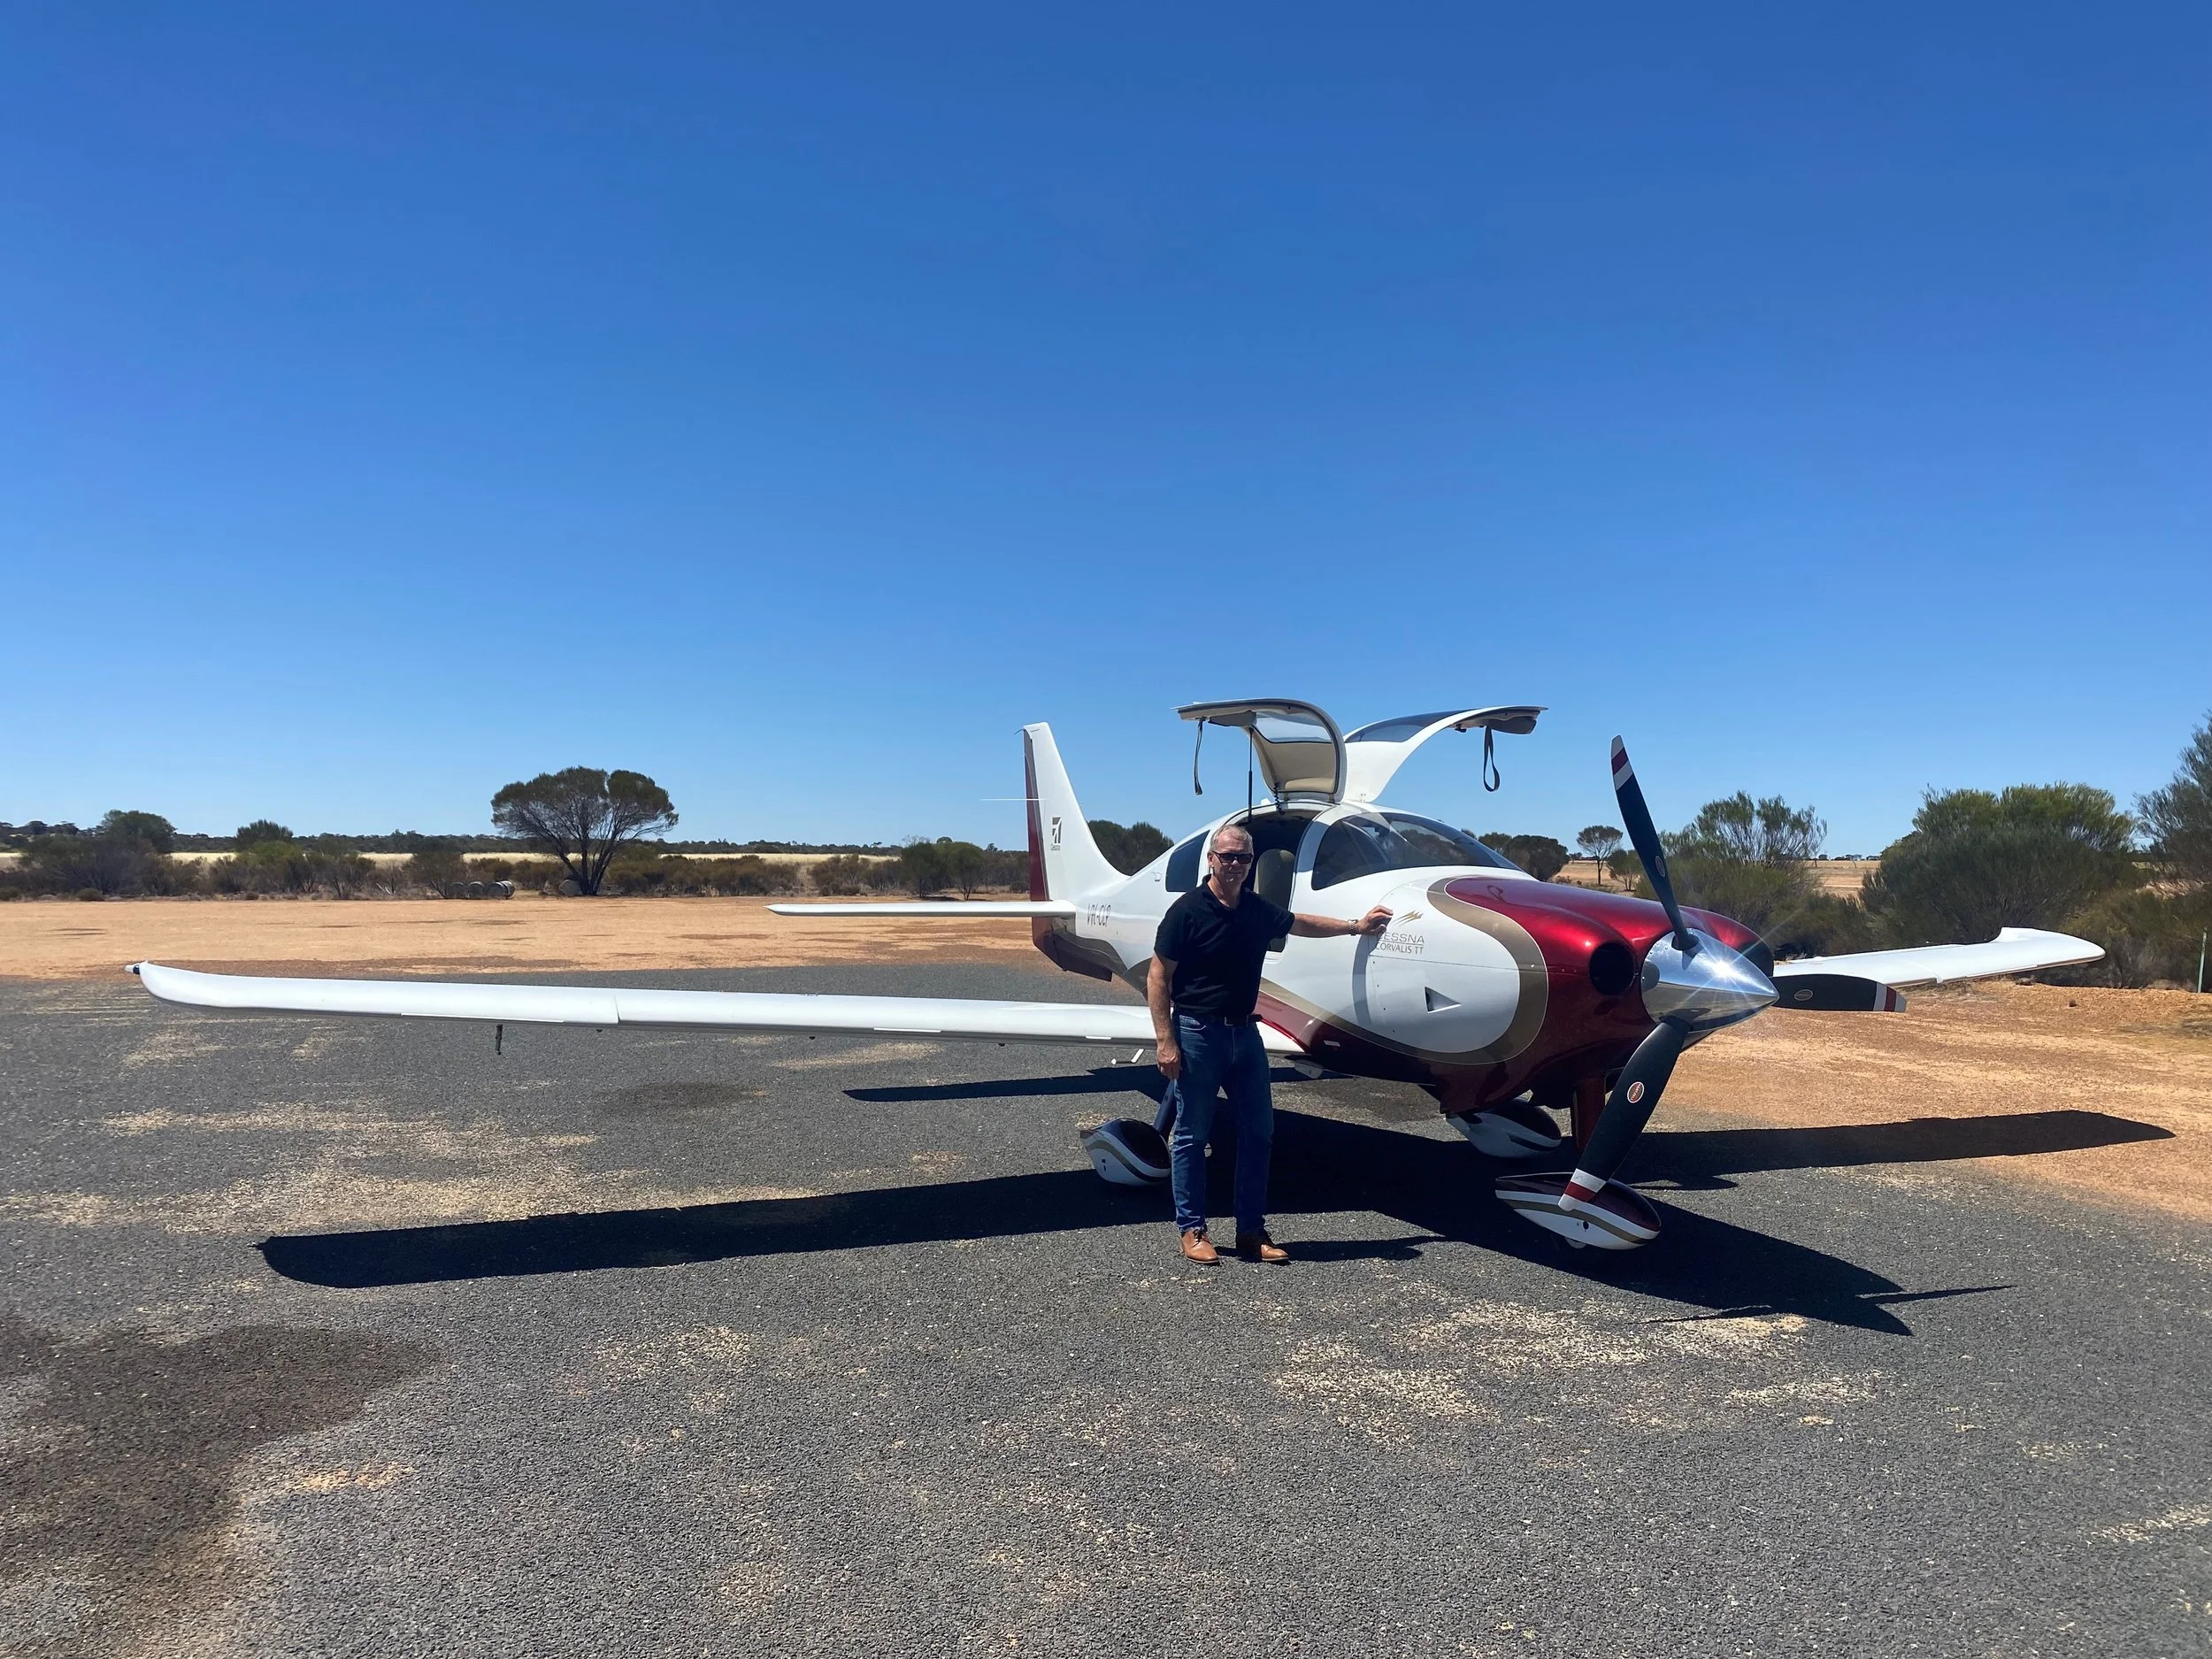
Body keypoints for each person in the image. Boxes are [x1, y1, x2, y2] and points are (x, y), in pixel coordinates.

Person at [1148, 822, 1392, 1263]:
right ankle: (1192, 1229)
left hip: (1246, 1033)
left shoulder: (1258, 909)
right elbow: (1159, 974)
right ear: (1212, 859)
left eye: (1244, 858)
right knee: (1190, 1134)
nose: (1236, 865)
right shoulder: (1187, 911)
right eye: (1227, 857)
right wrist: (1166, 1039)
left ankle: (1250, 1230)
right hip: (1198, 1033)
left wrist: (1356, 926)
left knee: (1259, 1132)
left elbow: (1300, 924)